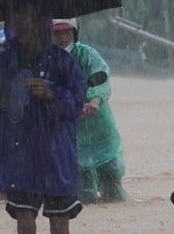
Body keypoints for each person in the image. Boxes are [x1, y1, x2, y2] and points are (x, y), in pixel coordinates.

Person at [0, 5, 85, 234]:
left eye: (29, 23)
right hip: (19, 151)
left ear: (42, 25)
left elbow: (77, 104)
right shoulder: (7, 62)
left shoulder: (64, 62)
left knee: (60, 226)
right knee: (24, 225)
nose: (23, 29)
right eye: (18, 23)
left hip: (55, 152)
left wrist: (52, 94)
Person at [52, 19, 129, 203]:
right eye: (58, 33)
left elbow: (101, 78)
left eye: (67, 32)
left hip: (98, 125)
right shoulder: (46, 59)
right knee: (82, 192)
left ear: (74, 33)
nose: (63, 38)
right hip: (70, 129)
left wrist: (94, 102)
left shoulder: (87, 54)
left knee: (111, 182)